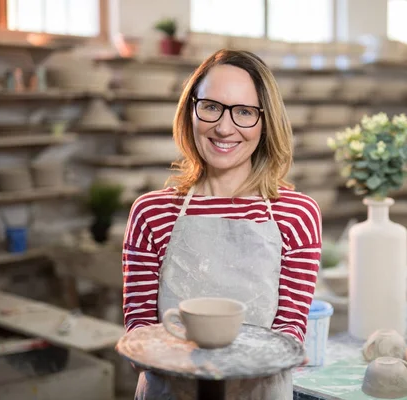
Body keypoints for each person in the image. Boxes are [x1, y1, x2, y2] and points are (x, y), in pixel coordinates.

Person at [122, 49, 322, 399]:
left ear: (265, 121)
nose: (224, 127)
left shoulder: (297, 214)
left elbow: (290, 332)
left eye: (244, 112)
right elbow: (139, 332)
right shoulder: (151, 212)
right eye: (211, 106)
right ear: (191, 110)